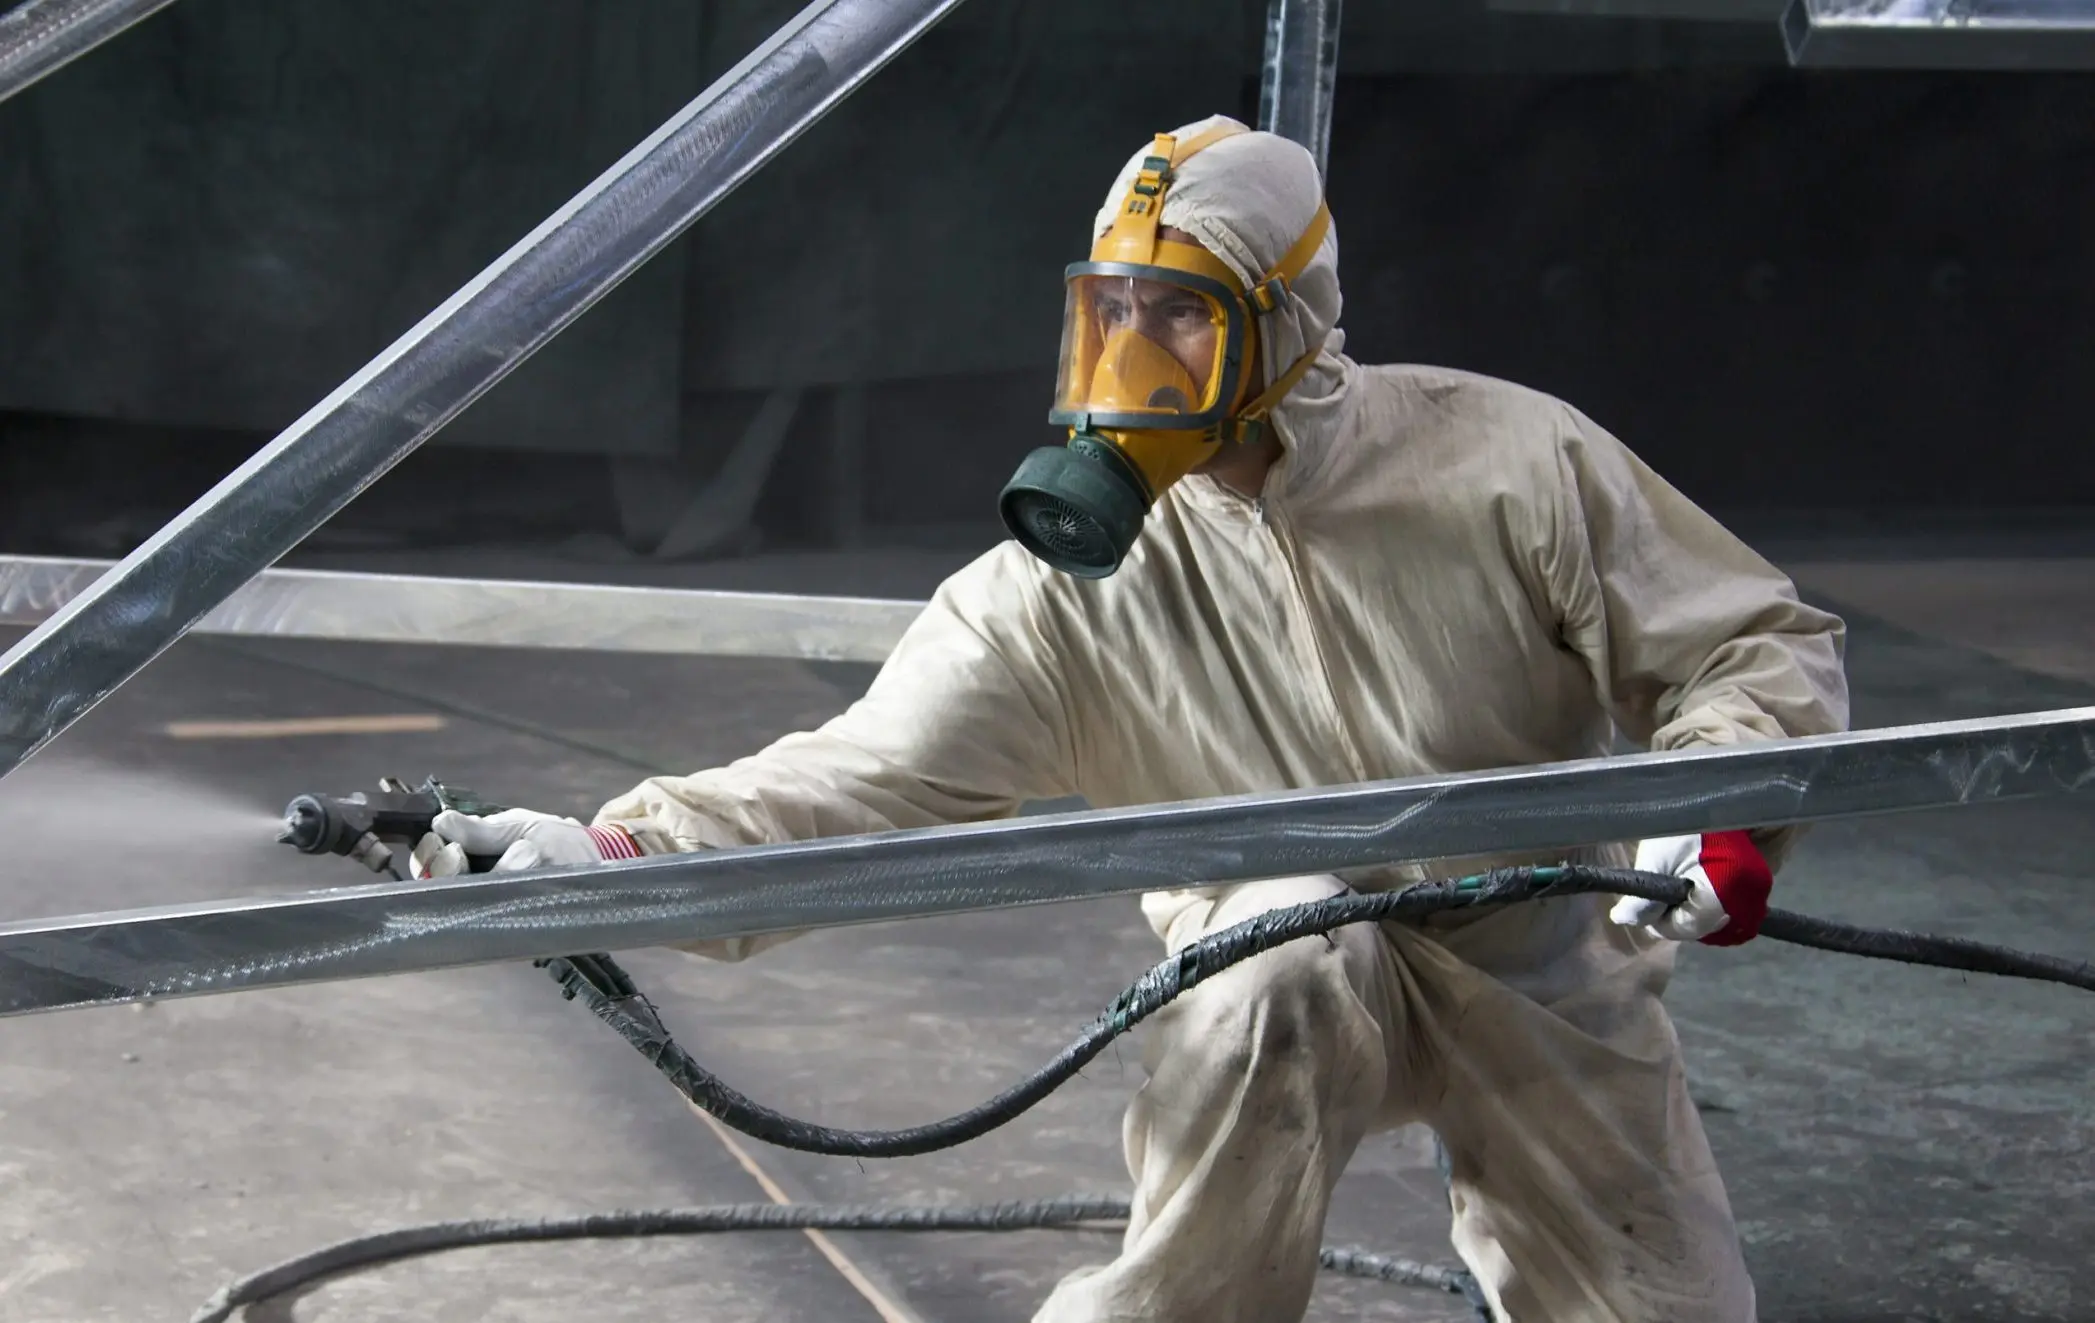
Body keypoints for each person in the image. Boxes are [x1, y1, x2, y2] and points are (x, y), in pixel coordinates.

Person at [418, 115, 1849, 1323]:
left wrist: (1718, 807)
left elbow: (1746, 640)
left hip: (1537, 952)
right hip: (1274, 961)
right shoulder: (1061, 592)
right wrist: (612, 853)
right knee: (1275, 959)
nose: (1133, 358)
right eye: (1114, 308)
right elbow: (854, 781)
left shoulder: (1506, 462)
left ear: (1282, 321)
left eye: (1182, 314)